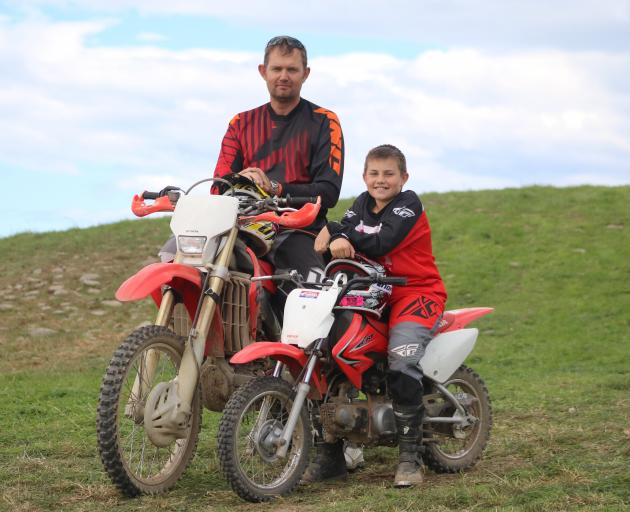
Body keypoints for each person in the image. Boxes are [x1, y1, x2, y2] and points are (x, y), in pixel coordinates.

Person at [307, 144, 448, 487]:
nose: (380, 180)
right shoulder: (361, 204)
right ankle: (330, 458)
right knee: (327, 357)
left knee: (401, 363)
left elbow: (382, 242)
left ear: (404, 177)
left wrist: (339, 231)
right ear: (364, 176)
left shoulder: (409, 204)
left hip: (416, 291)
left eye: (388, 174)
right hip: (374, 291)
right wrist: (339, 230)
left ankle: (410, 459)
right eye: (374, 173)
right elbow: (348, 234)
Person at [214, 35, 344, 288]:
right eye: (277, 68)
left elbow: (328, 192)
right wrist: (242, 179)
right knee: (175, 255)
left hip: (299, 229)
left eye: (292, 69)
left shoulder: (325, 121)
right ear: (263, 71)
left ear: (305, 74)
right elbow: (218, 184)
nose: (284, 76)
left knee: (310, 299)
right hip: (243, 226)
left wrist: (275, 187)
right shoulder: (240, 123)